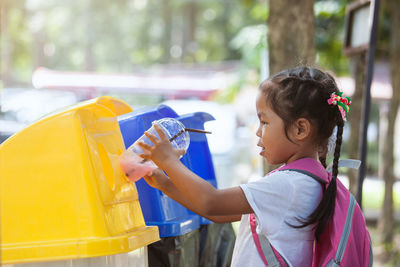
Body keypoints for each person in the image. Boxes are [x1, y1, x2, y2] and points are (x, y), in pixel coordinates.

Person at [137, 66, 351, 267]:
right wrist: (165, 183)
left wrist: (168, 160)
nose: (258, 132)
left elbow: (211, 202)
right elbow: (217, 214)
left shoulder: (291, 185)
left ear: (300, 129)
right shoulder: (309, 181)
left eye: (265, 122)